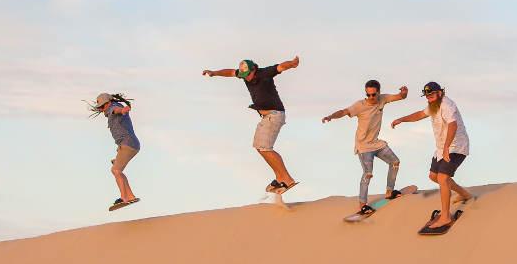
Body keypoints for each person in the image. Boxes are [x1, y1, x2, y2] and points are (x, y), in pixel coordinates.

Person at [202, 56, 301, 194]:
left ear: (254, 69)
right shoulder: (243, 75)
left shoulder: (264, 73)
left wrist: (292, 64)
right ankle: (280, 179)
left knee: (265, 147)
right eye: (243, 76)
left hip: (274, 114)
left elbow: (281, 67)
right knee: (260, 147)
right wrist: (214, 73)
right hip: (267, 116)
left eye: (248, 74)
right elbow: (230, 72)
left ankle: (287, 179)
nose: (246, 78)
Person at [391, 81, 472, 232]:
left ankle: (445, 216)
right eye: (427, 96)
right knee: (434, 176)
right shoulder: (433, 106)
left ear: (440, 93)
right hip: (442, 148)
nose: (430, 98)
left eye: (432, 95)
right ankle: (464, 194)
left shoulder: (448, 106)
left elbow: (453, 125)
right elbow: (420, 114)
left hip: (456, 147)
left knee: (442, 178)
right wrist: (401, 119)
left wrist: (447, 147)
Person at [322, 80, 409, 215]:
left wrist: (404, 93)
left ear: (378, 93)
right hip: (363, 146)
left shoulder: (383, 99)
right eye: (368, 95)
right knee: (368, 174)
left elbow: (400, 97)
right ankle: (362, 205)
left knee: (395, 162)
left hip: (376, 143)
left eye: (373, 95)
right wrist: (331, 116)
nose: (371, 98)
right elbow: (344, 111)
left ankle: (389, 191)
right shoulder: (360, 105)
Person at [89, 92, 141, 211]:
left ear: (108, 103)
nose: (102, 110)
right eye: (100, 108)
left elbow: (117, 110)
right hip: (128, 144)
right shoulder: (111, 110)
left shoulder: (113, 108)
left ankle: (124, 198)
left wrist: (123, 111)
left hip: (128, 144)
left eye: (102, 107)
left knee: (116, 170)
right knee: (118, 170)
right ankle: (130, 196)